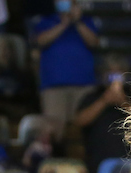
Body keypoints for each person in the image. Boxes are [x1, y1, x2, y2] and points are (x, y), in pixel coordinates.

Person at [32, 0, 100, 138]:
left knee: (85, 130)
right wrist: (64, 23)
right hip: (53, 86)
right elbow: (40, 41)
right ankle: (56, 158)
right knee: (54, 131)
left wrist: (77, 21)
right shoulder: (46, 21)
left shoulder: (87, 21)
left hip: (84, 85)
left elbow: (93, 42)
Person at [73, 55, 131, 173]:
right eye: (110, 72)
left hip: (129, 161)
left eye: (118, 72)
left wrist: (123, 102)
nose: (114, 76)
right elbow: (80, 121)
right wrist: (104, 100)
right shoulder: (92, 96)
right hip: (98, 161)